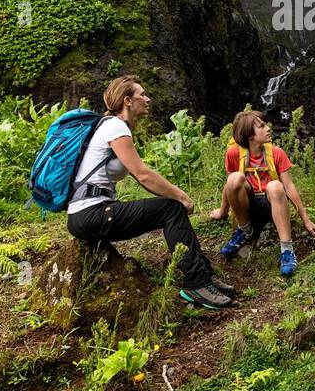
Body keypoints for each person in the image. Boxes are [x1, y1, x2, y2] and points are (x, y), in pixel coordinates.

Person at [67, 75, 234, 309]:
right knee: (172, 209)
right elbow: (143, 174)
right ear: (127, 100)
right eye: (142, 94)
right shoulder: (115, 127)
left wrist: (173, 195)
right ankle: (197, 284)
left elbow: (142, 179)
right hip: (91, 214)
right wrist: (181, 196)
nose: (148, 99)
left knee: (169, 208)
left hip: (88, 214)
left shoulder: (111, 126)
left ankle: (204, 275)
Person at [211, 110, 315, 275]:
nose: (268, 128)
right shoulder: (233, 153)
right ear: (249, 135)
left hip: (272, 206)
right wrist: (222, 211)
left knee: (275, 185)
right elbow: (230, 187)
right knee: (234, 178)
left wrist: (306, 219)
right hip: (247, 208)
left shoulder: (276, 153)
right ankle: (245, 229)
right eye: (262, 126)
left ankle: (287, 250)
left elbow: (289, 186)